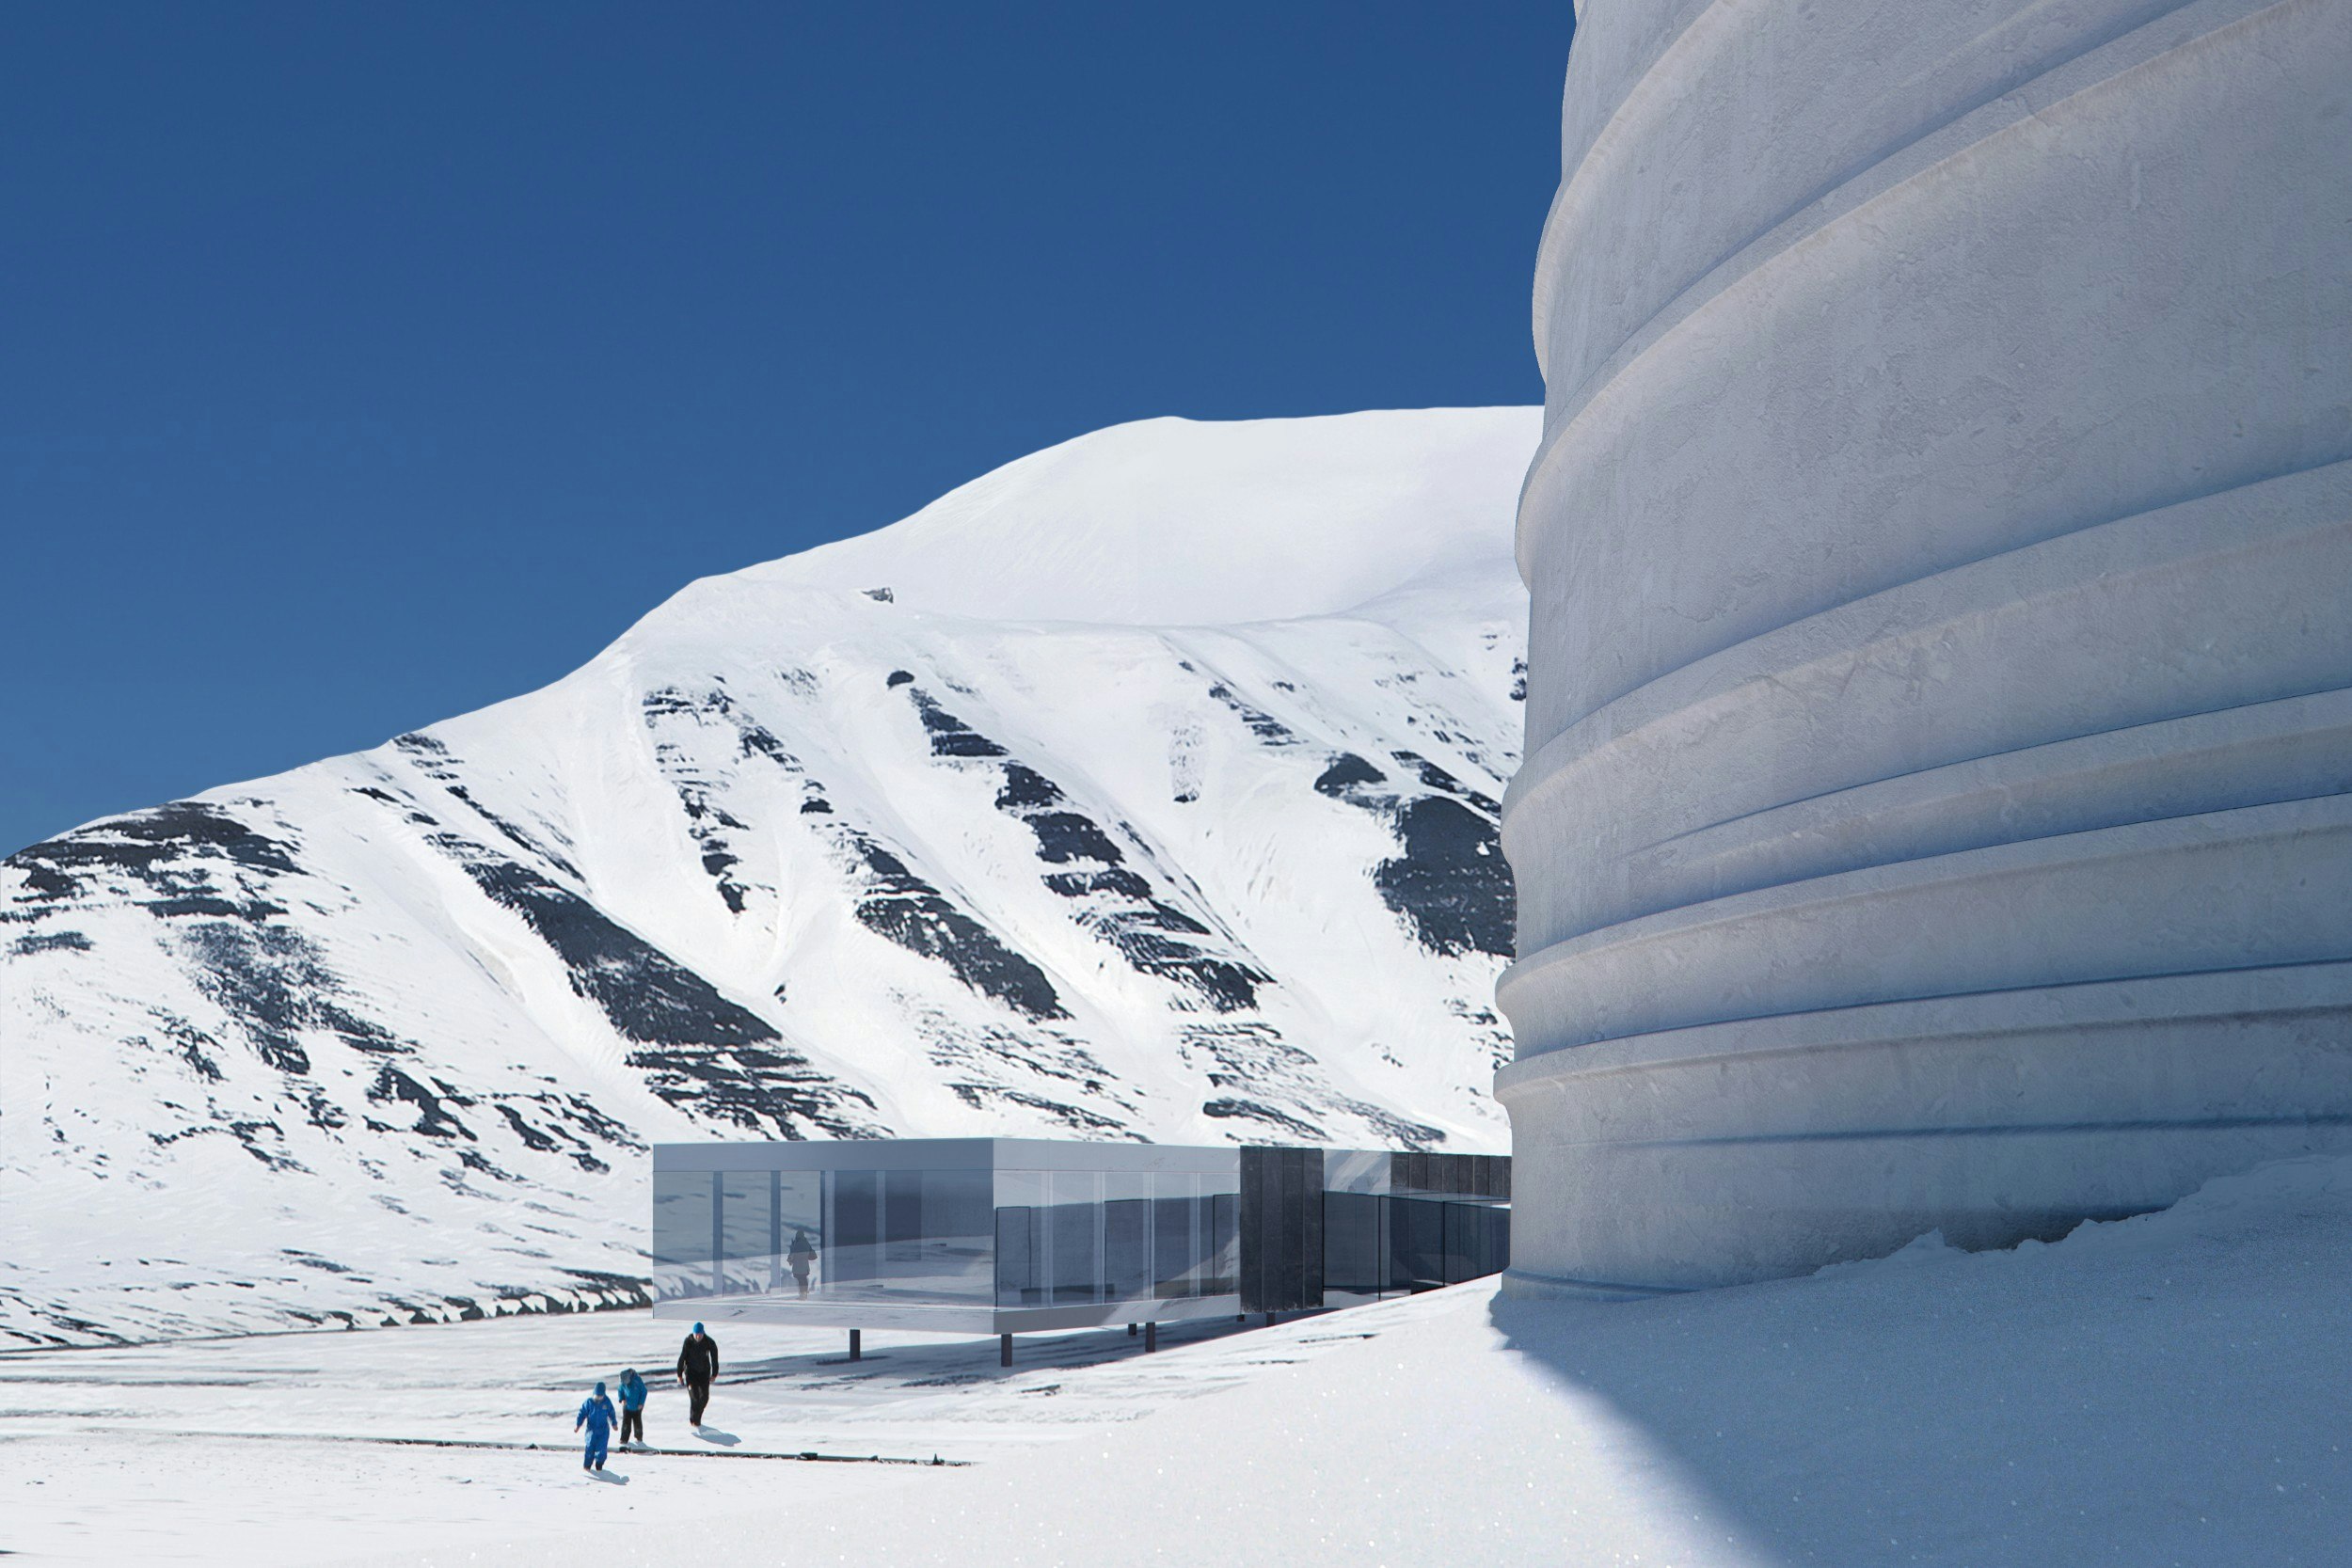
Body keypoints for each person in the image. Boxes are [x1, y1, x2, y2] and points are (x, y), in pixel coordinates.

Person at [676, 1322, 719, 1428]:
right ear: (693, 1333)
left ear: (703, 1333)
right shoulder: (688, 1342)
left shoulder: (709, 1342)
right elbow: (682, 1358)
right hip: (691, 1373)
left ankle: (696, 1419)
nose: (698, 1336)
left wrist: (714, 1374)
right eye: (696, 1334)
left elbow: (714, 1358)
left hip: (704, 1373)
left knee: (704, 1398)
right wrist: (679, 1375)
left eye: (700, 1334)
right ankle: (695, 1422)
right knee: (695, 1397)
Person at [574, 1380, 617, 1473]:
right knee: (589, 1448)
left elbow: (612, 1413)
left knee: (602, 1449)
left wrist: (614, 1423)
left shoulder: (607, 1402)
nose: (598, 1399)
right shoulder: (589, 1402)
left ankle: (599, 1465)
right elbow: (582, 1414)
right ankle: (587, 1466)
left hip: (603, 1430)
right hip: (591, 1430)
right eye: (597, 1397)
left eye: (600, 1397)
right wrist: (578, 1425)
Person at [614, 1367, 648, 1448]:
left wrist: (641, 1403)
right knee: (626, 1423)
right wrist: (621, 1399)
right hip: (627, 1407)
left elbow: (644, 1392)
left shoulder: (637, 1380)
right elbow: (620, 1390)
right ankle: (624, 1439)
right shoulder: (623, 1382)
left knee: (637, 1423)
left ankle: (639, 1438)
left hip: (637, 1407)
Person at [787, 1227, 817, 1299]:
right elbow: (811, 1252)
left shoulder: (796, 1244)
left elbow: (793, 1254)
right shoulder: (806, 1243)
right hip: (805, 1266)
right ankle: (805, 1294)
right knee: (804, 1278)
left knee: (800, 1280)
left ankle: (802, 1295)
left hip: (798, 1266)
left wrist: (789, 1260)